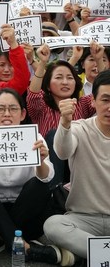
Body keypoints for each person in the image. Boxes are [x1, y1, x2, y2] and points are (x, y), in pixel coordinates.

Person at [0, 88, 60, 263]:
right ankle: (24, 247)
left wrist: (40, 160)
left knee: (39, 185)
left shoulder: (35, 137)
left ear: (23, 113)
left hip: (27, 213)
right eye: (1, 109)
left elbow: (47, 178)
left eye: (13, 109)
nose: (7, 114)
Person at [43, 70, 110, 265]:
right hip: (83, 218)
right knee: (53, 225)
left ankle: (87, 254)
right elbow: (62, 152)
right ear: (93, 101)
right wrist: (65, 122)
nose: (109, 107)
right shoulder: (80, 128)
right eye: (105, 100)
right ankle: (102, 255)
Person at [28, 43, 100, 137]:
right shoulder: (42, 107)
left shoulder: (83, 104)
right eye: (58, 78)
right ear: (48, 85)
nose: (65, 82)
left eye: (70, 78)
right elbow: (33, 94)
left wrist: (98, 59)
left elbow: (104, 91)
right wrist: (42, 62)